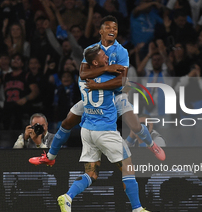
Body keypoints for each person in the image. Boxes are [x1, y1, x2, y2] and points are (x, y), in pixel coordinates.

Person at [32, 45, 161, 212]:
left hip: (87, 130)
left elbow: (90, 73)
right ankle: (137, 210)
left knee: (91, 173)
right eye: (103, 56)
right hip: (105, 131)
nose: (106, 56)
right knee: (127, 165)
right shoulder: (109, 78)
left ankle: (68, 197)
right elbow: (125, 84)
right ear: (95, 61)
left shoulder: (82, 78)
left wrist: (105, 69)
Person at [30, 15, 165, 164]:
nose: (112, 30)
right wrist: (108, 69)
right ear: (100, 31)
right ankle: (50, 157)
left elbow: (121, 81)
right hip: (93, 97)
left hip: (115, 97)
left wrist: (97, 83)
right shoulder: (91, 50)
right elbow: (83, 73)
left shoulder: (122, 52)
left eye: (115, 28)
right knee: (67, 122)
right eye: (108, 27)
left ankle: (152, 145)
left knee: (135, 126)